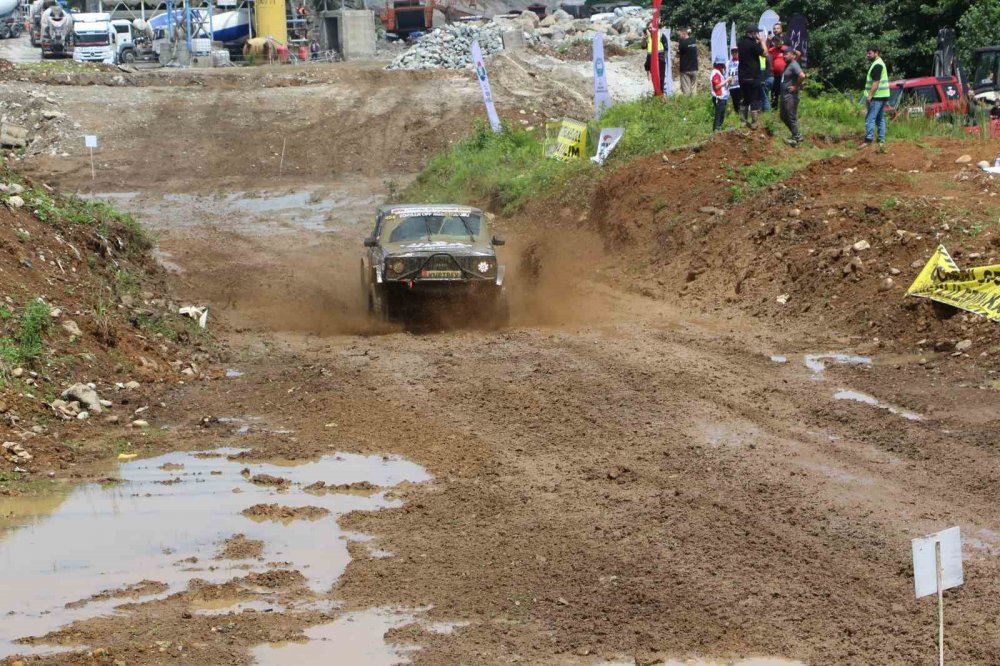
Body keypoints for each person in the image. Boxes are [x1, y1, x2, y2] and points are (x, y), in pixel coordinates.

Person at [737, 25, 767, 127]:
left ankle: (743, 121)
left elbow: (749, 52)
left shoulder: (740, 44)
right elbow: (765, 53)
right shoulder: (753, 45)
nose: (758, 35)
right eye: (756, 33)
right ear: (752, 33)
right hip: (753, 76)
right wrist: (762, 42)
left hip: (742, 76)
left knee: (745, 98)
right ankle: (754, 123)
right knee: (754, 99)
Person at [862, 45, 891, 149]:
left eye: (869, 53)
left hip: (877, 96)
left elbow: (876, 82)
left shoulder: (877, 65)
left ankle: (868, 140)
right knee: (880, 119)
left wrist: (870, 96)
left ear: (876, 53)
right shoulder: (879, 63)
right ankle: (881, 140)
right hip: (883, 96)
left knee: (870, 118)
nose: (867, 55)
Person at [779, 47, 805, 146]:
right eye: (783, 54)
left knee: (791, 117)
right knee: (783, 116)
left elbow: (802, 75)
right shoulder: (789, 64)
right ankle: (796, 135)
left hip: (791, 96)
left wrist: (796, 87)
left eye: (786, 54)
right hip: (784, 95)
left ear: (792, 55)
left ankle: (796, 137)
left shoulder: (794, 64)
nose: (783, 56)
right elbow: (797, 55)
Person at [643, 22, 667, 94]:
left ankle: (661, 93)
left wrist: (664, 59)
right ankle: (657, 92)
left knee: (661, 77)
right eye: (649, 28)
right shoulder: (648, 36)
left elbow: (666, 49)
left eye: (651, 27)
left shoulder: (661, 35)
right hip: (651, 58)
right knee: (654, 78)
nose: (650, 29)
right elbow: (643, 46)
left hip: (660, 57)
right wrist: (644, 38)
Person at [710, 59, 730, 131]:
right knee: (719, 115)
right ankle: (717, 130)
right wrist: (727, 80)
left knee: (721, 115)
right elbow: (717, 86)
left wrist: (728, 82)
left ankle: (718, 129)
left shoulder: (720, 73)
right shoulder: (716, 73)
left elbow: (723, 87)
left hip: (722, 97)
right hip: (718, 98)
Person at [678, 27, 699, 95]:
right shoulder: (693, 41)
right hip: (694, 68)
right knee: (694, 90)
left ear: (684, 33)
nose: (679, 36)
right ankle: (695, 104)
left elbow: (678, 53)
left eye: (680, 35)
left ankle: (688, 105)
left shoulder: (682, 44)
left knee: (686, 91)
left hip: (685, 70)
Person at [769, 36, 786, 110]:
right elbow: (765, 53)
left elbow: (797, 53)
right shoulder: (772, 50)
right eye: (775, 42)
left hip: (785, 74)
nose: (776, 43)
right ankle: (774, 108)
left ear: (781, 41)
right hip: (775, 75)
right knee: (774, 91)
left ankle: (785, 108)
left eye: (778, 41)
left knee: (784, 91)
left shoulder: (785, 48)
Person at [727, 47, 742, 119]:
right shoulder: (729, 63)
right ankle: (737, 116)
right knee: (735, 103)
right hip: (732, 86)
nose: (734, 53)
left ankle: (742, 116)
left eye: (736, 52)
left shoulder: (742, 61)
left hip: (740, 85)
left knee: (741, 102)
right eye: (733, 52)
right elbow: (727, 73)